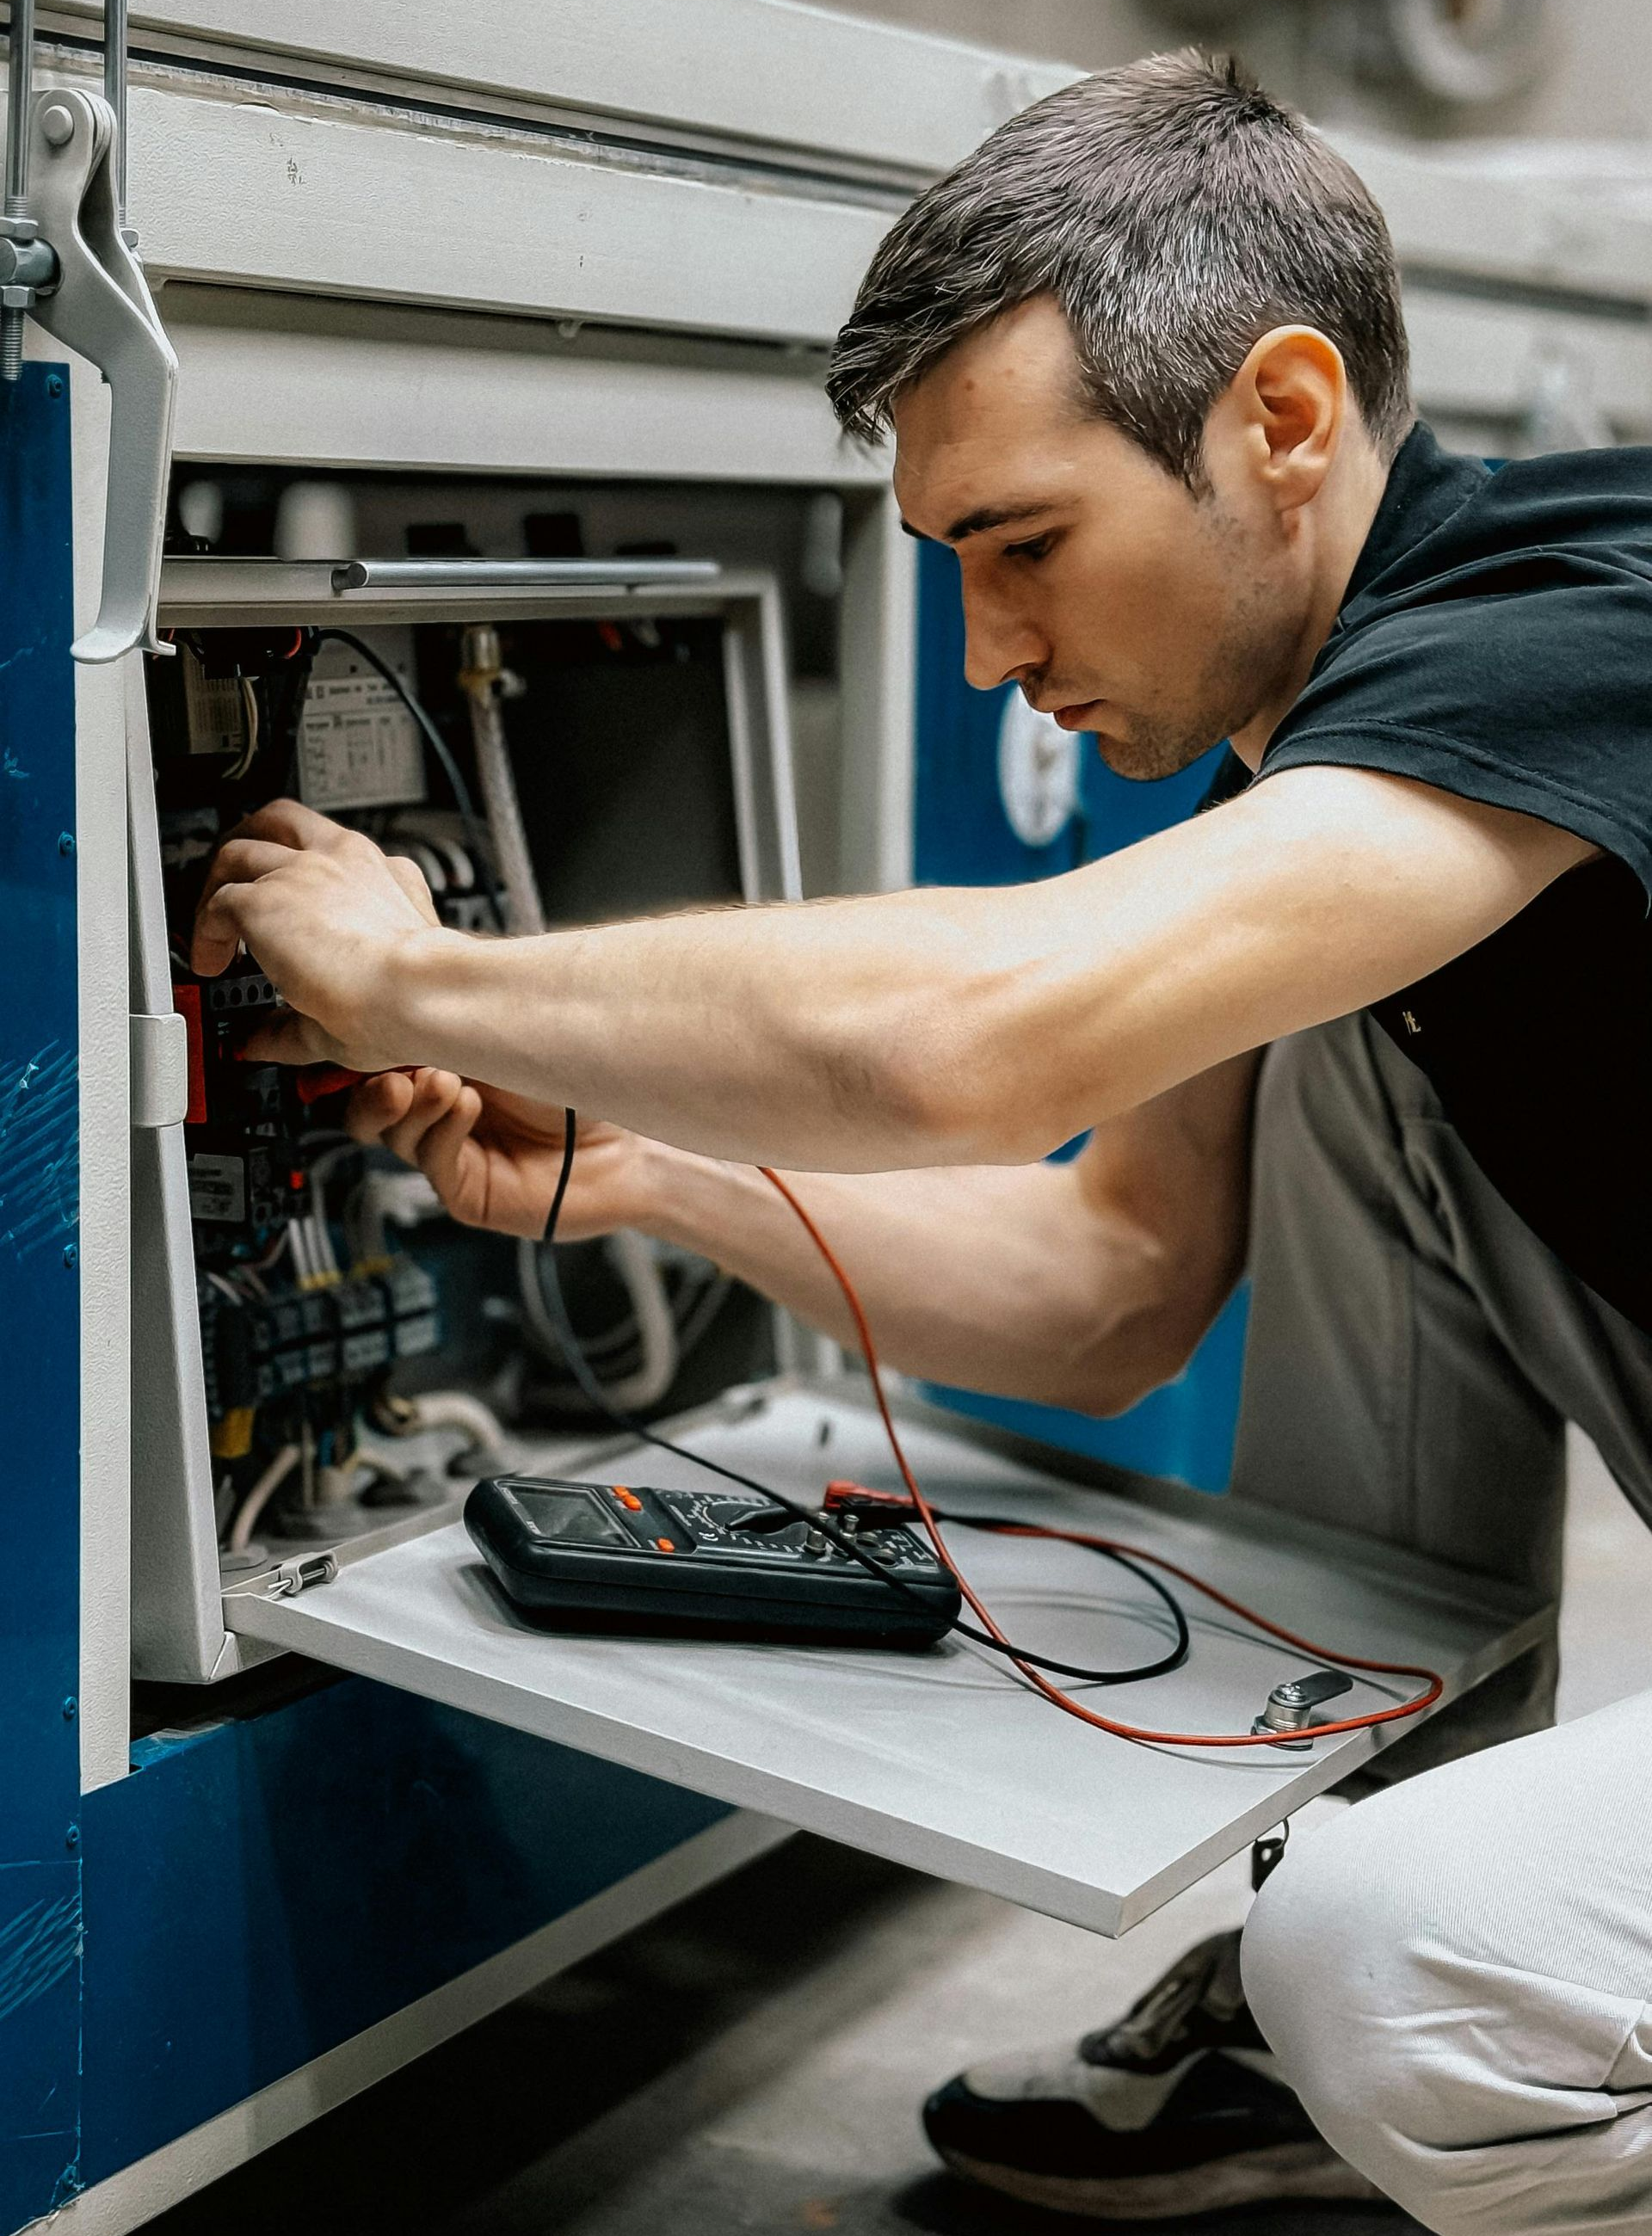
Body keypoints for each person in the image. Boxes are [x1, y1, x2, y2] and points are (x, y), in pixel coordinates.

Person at [193, 50, 1652, 2234]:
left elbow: (991, 1035)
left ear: (1282, 415)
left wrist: (417, 981)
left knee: (1409, 1957)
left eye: (1026, 545)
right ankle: (1292, 2028)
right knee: (1334, 1041)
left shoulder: (1586, 626)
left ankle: (1366, 2012)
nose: (985, 650)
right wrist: (644, 1174)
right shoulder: (1330, 791)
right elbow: (1109, 1282)